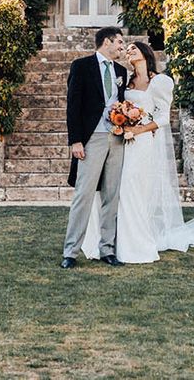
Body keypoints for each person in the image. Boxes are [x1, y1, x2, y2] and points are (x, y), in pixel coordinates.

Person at [82, 40, 194, 264]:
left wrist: (138, 129)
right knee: (113, 191)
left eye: (133, 48)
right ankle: (108, 243)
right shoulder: (125, 81)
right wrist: (120, 122)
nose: (128, 51)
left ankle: (135, 246)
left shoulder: (159, 82)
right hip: (122, 143)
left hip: (142, 144)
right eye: (126, 49)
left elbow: (162, 118)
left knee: (132, 191)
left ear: (145, 53)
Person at [60, 26, 129, 268]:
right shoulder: (81, 66)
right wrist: (75, 140)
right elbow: (73, 105)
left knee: (112, 195)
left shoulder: (121, 71)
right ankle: (70, 252)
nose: (122, 46)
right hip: (92, 138)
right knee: (84, 195)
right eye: (119, 42)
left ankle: (107, 249)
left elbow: (120, 103)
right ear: (107, 42)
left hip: (117, 138)